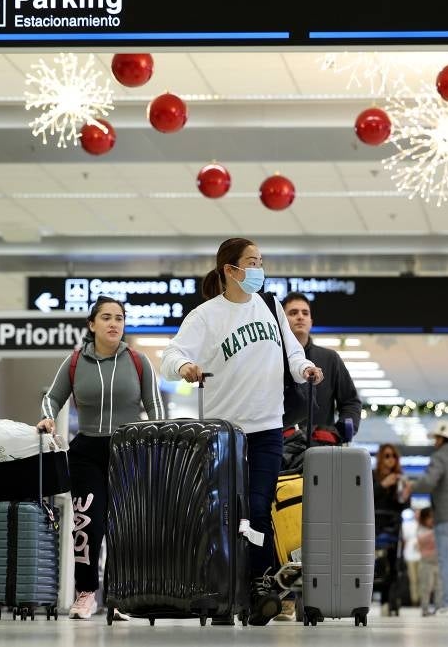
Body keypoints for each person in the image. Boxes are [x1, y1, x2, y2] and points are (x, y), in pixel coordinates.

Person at [161, 237, 322, 625]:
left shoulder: (270, 307)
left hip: (268, 427)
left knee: (258, 509)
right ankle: (221, 593)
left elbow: (293, 353)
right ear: (230, 270)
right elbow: (170, 356)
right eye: (252, 262)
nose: (259, 268)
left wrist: (304, 370)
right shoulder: (206, 316)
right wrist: (184, 368)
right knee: (223, 514)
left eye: (261, 261)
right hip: (223, 433)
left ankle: (259, 588)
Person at [37, 296, 163, 621]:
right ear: (92, 325)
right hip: (87, 453)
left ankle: (119, 597)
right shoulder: (76, 361)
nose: (113, 324)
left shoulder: (138, 361)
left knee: (124, 528)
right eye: (106, 317)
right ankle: (86, 594)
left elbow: (155, 406)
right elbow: (52, 397)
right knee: (88, 524)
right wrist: (48, 419)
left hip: (128, 452)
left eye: (119, 318)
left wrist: (158, 441)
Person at [402, 421, 448, 616]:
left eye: (436, 438)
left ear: (443, 438)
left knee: (446, 561)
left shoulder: (440, 456)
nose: (434, 442)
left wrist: (412, 487)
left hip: (446, 516)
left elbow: (429, 481)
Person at [281, 292, 361, 439]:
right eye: (293, 313)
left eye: (305, 313)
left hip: (322, 446)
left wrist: (339, 433)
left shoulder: (330, 359)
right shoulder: (273, 358)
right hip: (281, 446)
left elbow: (350, 402)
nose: (300, 316)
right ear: (282, 321)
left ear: (311, 321)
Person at [372, 443, 409, 615]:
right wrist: (383, 484)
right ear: (381, 458)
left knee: (393, 565)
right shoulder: (372, 476)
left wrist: (405, 494)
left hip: (393, 527)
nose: (390, 460)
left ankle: (388, 600)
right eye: (387, 456)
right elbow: (367, 497)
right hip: (373, 526)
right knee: (371, 564)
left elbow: (403, 506)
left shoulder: (400, 478)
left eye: (393, 456)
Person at [416, 507, 440, 617]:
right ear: (424, 518)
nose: (432, 519)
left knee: (439, 588)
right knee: (426, 587)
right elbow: (422, 540)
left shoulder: (438, 529)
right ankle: (425, 609)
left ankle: (438, 609)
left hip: (438, 563)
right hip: (426, 563)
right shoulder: (421, 529)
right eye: (430, 517)